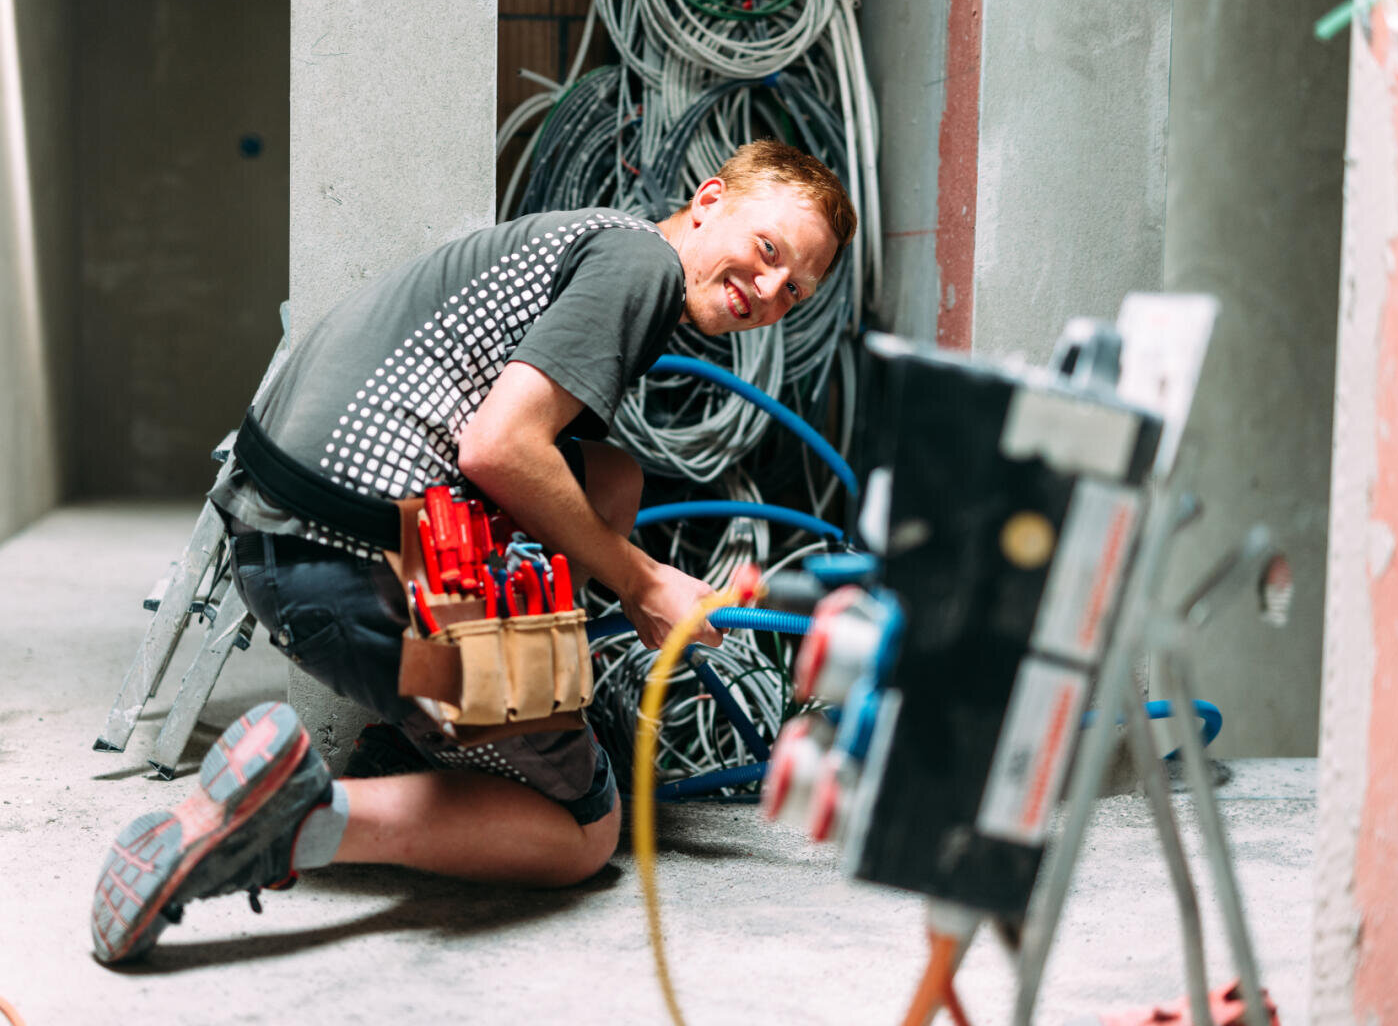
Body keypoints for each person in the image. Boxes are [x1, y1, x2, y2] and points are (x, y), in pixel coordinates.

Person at [89, 139, 856, 964]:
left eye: (796, 291)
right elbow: (498, 449)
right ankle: (293, 819)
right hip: (347, 566)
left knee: (611, 476)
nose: (772, 291)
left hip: (283, 531)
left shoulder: (590, 238)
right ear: (708, 201)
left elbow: (537, 471)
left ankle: (440, 733)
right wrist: (643, 582)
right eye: (769, 252)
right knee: (585, 830)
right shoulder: (640, 267)